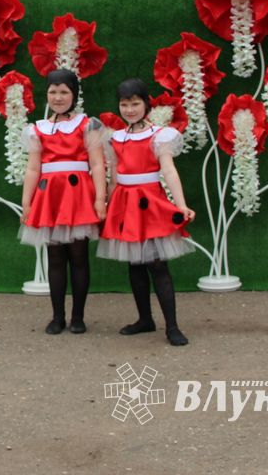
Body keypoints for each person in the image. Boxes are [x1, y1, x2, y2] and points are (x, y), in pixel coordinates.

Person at [97, 79, 194, 347]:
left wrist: (181, 204)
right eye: (124, 104)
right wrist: (107, 204)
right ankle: (144, 319)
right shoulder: (116, 138)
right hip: (124, 204)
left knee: (158, 264)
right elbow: (113, 176)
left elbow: (169, 171)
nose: (129, 110)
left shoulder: (159, 135)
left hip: (151, 203)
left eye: (135, 103)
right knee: (135, 263)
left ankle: (172, 327)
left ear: (146, 104)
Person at [19, 69, 106, 335]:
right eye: (53, 92)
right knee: (55, 257)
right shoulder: (38, 129)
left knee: (79, 256)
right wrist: (27, 203)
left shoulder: (88, 125)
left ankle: (78, 317)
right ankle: (57, 317)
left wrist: (100, 198)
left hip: (78, 195)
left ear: (74, 95)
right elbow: (33, 169)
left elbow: (97, 164)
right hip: (50, 197)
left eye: (64, 92)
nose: (58, 97)